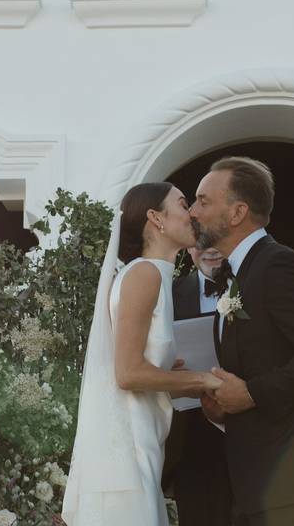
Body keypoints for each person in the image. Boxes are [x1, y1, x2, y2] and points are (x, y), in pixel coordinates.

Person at [190, 157, 294, 526]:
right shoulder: (239, 272)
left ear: (237, 213)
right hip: (257, 475)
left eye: (203, 201)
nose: (192, 211)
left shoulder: (278, 264)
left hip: (293, 476)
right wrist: (222, 407)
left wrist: (251, 393)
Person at [63, 183, 223, 526]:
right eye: (183, 204)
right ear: (156, 218)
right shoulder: (144, 274)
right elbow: (127, 373)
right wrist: (200, 378)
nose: (192, 212)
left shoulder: (155, 275)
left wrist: (172, 377)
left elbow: (140, 370)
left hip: (145, 446)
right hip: (126, 456)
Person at [162, 247, 233, 526]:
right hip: (190, 438)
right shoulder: (166, 293)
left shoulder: (253, 283)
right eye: (201, 241)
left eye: (215, 237)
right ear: (189, 247)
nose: (210, 248)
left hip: (249, 430)